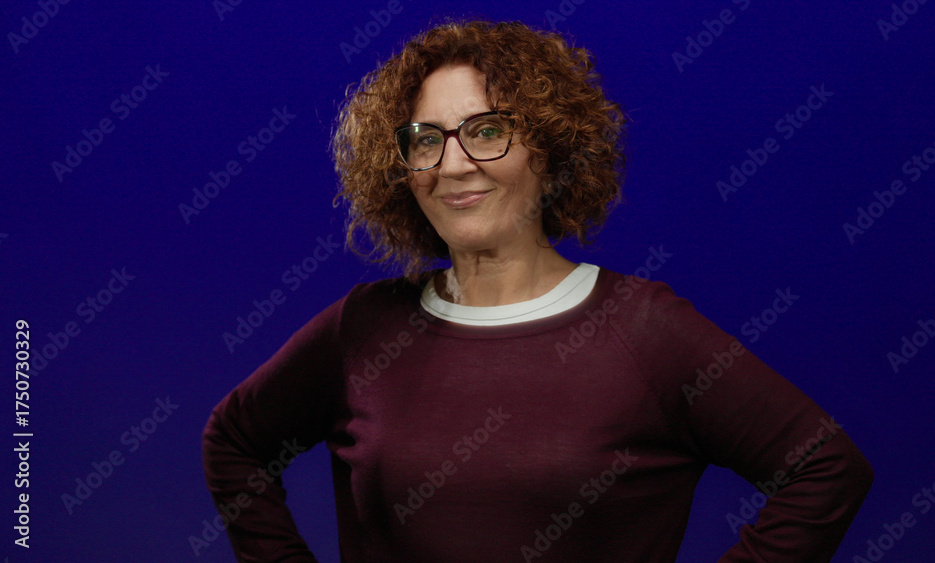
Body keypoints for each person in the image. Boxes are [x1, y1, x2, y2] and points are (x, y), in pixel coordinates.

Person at [201, 19, 874, 562]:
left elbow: (824, 469)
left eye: (487, 131)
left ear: (546, 150)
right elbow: (233, 440)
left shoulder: (644, 330)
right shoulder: (362, 329)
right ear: (402, 167)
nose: (454, 162)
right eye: (425, 140)